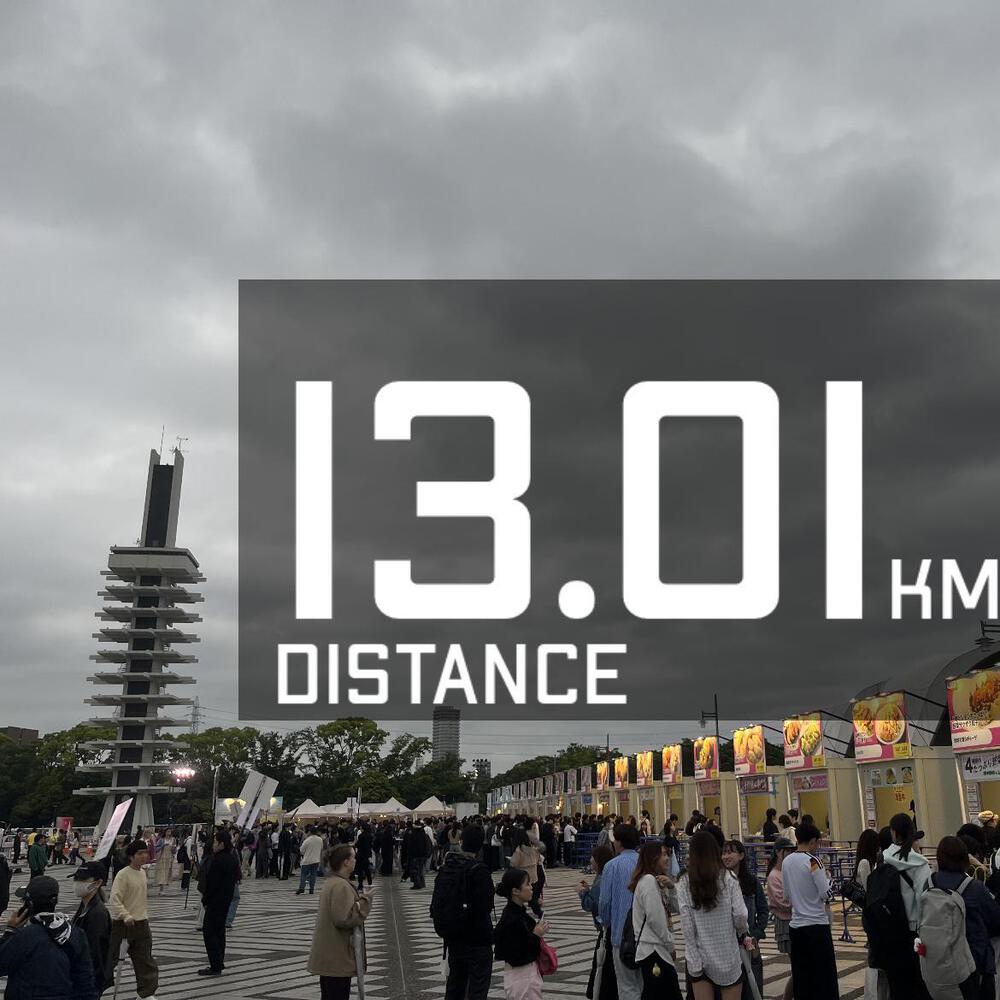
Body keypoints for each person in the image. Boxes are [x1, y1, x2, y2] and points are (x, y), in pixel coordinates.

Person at [677, 830, 752, 1000]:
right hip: (728, 955)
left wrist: (693, 959)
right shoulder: (728, 877)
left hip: (699, 958)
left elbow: (687, 926)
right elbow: (741, 914)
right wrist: (742, 931)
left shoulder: (684, 882)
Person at [0, 874, 99, 1000]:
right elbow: (85, 983)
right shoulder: (76, 934)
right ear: (55, 901)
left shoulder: (24, 936)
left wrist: (10, 931)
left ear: (29, 904)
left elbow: (2, 964)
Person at [931, 836, 1000, 1000]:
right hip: (973, 963)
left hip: (938, 962)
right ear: (964, 858)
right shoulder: (974, 887)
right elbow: (996, 920)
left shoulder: (930, 884)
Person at [434, 824, 495, 1000]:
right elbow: (486, 906)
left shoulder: (448, 867)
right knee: (477, 988)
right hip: (477, 938)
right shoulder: (479, 870)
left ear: (461, 842)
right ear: (481, 844)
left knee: (455, 984)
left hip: (453, 936)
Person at [308, 844, 374, 1000]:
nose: (355, 860)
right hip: (337, 956)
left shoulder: (333, 882)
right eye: (353, 857)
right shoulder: (340, 886)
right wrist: (366, 900)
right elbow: (344, 918)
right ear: (346, 862)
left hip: (331, 954)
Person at [781, 822, 839, 1000]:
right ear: (813, 841)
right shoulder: (814, 861)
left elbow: (786, 894)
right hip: (817, 924)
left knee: (802, 974)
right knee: (823, 975)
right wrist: (831, 882)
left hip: (796, 926)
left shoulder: (786, 861)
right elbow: (825, 893)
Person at [878, 813, 931, 1000]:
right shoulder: (920, 864)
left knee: (896, 985)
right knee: (918, 982)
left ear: (893, 832)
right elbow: (925, 899)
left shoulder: (882, 859)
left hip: (888, 931)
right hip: (913, 931)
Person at [106, 839, 159, 999]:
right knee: (111, 959)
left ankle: (146, 993)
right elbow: (114, 899)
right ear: (131, 856)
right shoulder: (123, 875)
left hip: (141, 922)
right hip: (123, 924)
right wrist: (125, 915)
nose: (144, 856)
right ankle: (96, 987)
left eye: (145, 852)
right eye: (139, 853)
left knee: (145, 960)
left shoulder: (142, 873)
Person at [629, 840, 682, 999]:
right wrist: (670, 944)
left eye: (668, 854)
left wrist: (671, 888)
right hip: (653, 949)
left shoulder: (656, 881)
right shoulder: (648, 881)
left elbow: (678, 907)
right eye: (663, 855)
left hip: (656, 949)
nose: (667, 859)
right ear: (653, 858)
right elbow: (655, 919)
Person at [597, 822, 644, 1000]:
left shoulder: (612, 866)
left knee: (626, 985)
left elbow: (604, 901)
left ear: (619, 842)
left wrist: (604, 921)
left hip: (620, 934)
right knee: (643, 983)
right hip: (645, 934)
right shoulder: (644, 862)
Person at [722, 839, 768, 1000]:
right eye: (724, 853)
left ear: (741, 855)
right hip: (727, 946)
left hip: (749, 944)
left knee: (753, 989)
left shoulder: (752, 882)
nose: (726, 856)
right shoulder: (720, 883)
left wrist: (756, 933)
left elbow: (763, 910)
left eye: (730, 852)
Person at [494, 867, 546, 1000]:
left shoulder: (516, 912)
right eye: (527, 884)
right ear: (515, 891)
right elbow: (520, 952)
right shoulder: (512, 919)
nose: (531, 887)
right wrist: (536, 935)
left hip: (522, 974)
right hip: (522, 975)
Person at [198, 828, 240, 976]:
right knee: (219, 932)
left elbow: (212, 884)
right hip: (225, 900)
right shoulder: (232, 858)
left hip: (215, 901)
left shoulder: (218, 860)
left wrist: (205, 899)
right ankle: (218, 962)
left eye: (216, 842)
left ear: (222, 844)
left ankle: (215, 965)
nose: (214, 845)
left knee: (209, 932)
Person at [70, 860, 111, 994]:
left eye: (82, 879)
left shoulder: (97, 913)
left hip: (89, 980)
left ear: (97, 883)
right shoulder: (84, 906)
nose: (77, 883)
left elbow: (95, 951)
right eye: (76, 878)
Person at [765, 838, 796, 1000]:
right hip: (785, 921)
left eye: (791, 850)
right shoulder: (774, 876)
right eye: (787, 850)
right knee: (798, 967)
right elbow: (782, 902)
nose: (790, 853)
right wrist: (800, 899)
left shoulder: (789, 871)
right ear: (778, 852)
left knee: (800, 967)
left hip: (795, 920)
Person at [510, 829, 544, 918]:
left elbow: (513, 863)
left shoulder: (519, 850)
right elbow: (539, 860)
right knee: (533, 898)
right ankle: (538, 912)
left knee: (518, 897)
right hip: (534, 876)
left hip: (523, 878)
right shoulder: (534, 849)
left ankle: (521, 913)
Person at [297, 826, 324, 896]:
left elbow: (301, 850)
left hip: (307, 860)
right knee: (313, 875)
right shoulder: (320, 839)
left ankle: (301, 888)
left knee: (303, 875)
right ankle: (311, 889)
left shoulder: (307, 840)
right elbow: (321, 849)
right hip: (316, 860)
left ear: (310, 832)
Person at [408, 820, 430, 889]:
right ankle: (422, 883)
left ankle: (417, 884)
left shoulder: (413, 835)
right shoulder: (424, 834)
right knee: (421, 869)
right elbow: (427, 845)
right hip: (423, 855)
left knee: (415, 870)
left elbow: (410, 846)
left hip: (415, 855)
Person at [154, 829, 175, 894]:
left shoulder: (173, 839)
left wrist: (173, 848)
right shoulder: (161, 840)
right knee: (162, 872)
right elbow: (156, 849)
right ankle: (161, 889)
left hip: (169, 857)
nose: (169, 833)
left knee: (167, 872)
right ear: (165, 832)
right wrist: (163, 846)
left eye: (170, 831)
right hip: (162, 857)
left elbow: (174, 851)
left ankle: (163, 887)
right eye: (167, 831)